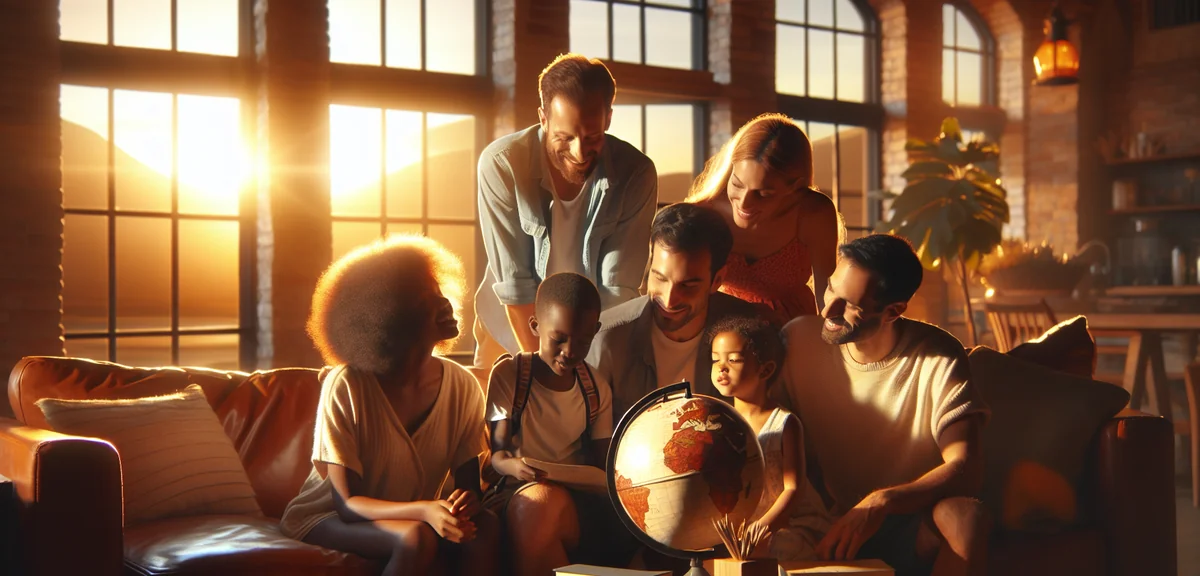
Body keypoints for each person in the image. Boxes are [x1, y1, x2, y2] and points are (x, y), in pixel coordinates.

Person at [279, 235, 498, 576]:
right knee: (414, 539)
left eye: (439, 290)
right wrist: (425, 511)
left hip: (417, 515)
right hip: (328, 518)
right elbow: (348, 505)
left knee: (487, 530)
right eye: (426, 297)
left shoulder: (463, 386)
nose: (444, 304)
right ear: (389, 314)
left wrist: (465, 503)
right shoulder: (348, 385)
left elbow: (469, 485)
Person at [777, 234, 990, 576]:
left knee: (966, 516)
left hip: (907, 522)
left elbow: (966, 466)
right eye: (831, 288)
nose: (827, 310)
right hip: (824, 523)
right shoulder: (798, 339)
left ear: (893, 311)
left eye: (850, 304)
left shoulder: (937, 355)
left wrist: (882, 502)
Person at [474, 53, 658, 373]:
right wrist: (546, 376)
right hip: (510, 327)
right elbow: (517, 285)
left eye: (592, 137)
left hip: (591, 335)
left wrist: (589, 373)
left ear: (608, 119)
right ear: (543, 118)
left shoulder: (636, 173)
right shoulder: (502, 164)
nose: (579, 152)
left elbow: (618, 290)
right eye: (564, 137)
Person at [482, 272, 632, 576]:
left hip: (575, 499)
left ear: (596, 331)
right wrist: (517, 466)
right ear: (535, 326)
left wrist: (556, 474)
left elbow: (603, 474)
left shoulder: (595, 387)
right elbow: (497, 457)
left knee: (543, 509)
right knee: (536, 506)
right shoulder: (511, 377)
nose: (570, 351)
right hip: (517, 490)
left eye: (583, 340)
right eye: (558, 339)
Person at [586, 202, 759, 422]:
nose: (669, 299)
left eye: (688, 285)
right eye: (659, 277)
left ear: (717, 280)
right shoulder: (606, 338)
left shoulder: (748, 333)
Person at [685, 113, 842, 325]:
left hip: (794, 329)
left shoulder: (814, 213)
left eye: (764, 193)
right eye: (738, 184)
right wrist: (756, 313)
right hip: (720, 331)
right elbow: (683, 293)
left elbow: (828, 299)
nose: (744, 203)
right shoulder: (703, 215)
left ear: (795, 187)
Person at [708, 315, 831, 563]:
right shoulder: (716, 421)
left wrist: (762, 527)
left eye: (733, 360)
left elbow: (793, 489)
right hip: (741, 528)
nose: (722, 368)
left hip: (789, 524)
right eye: (715, 360)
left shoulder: (784, 423)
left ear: (765, 369)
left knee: (764, 554)